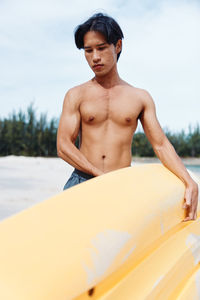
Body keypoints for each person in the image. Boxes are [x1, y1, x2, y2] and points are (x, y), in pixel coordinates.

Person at [57, 13, 198, 222]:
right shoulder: (76, 95)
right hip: (83, 181)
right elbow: (63, 146)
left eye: (102, 48)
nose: (95, 57)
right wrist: (98, 175)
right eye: (88, 51)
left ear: (118, 46)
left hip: (121, 184)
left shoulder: (140, 97)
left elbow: (160, 144)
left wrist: (189, 181)